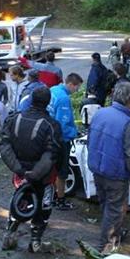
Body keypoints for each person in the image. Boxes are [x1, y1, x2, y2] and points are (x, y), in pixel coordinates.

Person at [0, 86, 63, 252]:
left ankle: (9, 236)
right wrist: (34, 173)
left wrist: (18, 169)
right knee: (43, 207)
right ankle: (35, 242)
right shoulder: (51, 125)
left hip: (21, 173)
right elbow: (52, 153)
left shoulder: (14, 118)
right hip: (43, 176)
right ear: (48, 102)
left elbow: (5, 145)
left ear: (31, 100)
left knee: (19, 201)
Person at [88, 82, 130, 254]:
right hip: (116, 174)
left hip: (97, 169)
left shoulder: (100, 113)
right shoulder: (128, 123)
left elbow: (90, 140)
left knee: (106, 205)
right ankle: (106, 247)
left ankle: (114, 234)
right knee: (115, 210)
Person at [49, 73, 84, 210]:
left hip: (49, 136)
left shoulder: (53, 90)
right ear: (70, 84)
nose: (77, 91)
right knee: (62, 171)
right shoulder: (64, 99)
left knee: (51, 169)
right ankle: (60, 199)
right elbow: (62, 124)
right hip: (61, 140)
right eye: (77, 87)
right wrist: (74, 134)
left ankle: (51, 195)